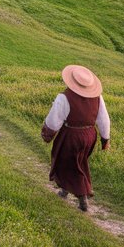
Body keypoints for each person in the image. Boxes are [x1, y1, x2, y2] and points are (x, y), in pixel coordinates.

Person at [41, 64, 111, 211]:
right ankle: (66, 190)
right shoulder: (98, 98)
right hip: (90, 136)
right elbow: (103, 119)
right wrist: (105, 139)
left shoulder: (64, 97)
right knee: (77, 161)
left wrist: (48, 134)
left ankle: (83, 197)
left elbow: (55, 119)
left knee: (71, 163)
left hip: (71, 135)